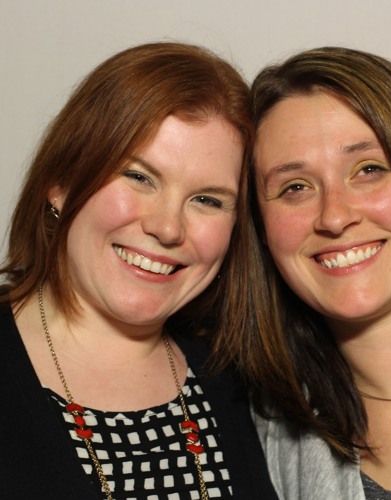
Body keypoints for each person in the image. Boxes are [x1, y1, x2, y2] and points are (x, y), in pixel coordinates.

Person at [0, 42, 278, 500]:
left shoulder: (246, 379)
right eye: (139, 177)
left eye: (207, 200)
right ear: (61, 183)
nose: (167, 227)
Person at [227, 47, 391, 499]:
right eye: (295, 187)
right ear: (259, 228)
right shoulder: (242, 431)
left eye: (368, 169)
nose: (334, 217)